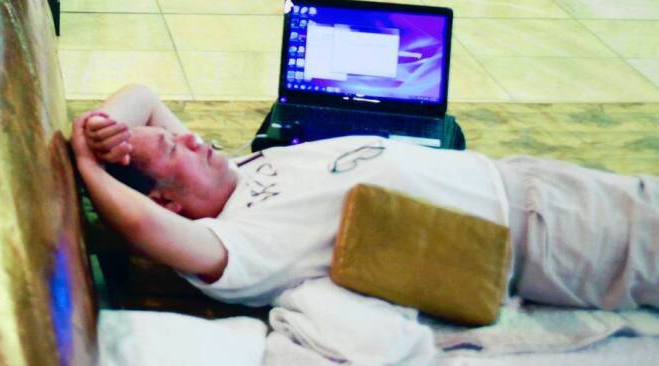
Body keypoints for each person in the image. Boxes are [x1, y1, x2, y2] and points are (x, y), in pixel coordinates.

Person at [74, 83, 659, 312]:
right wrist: (88, 166)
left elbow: (143, 96)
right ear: (170, 206)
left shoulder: (241, 169)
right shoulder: (237, 242)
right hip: (541, 236)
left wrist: (100, 127)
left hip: (521, 182)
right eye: (173, 152)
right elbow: (143, 229)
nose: (193, 137)